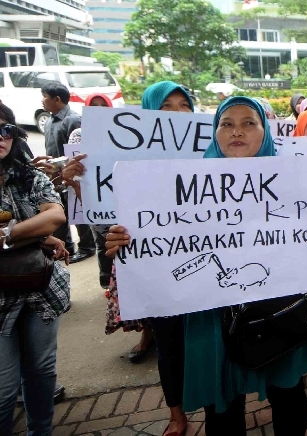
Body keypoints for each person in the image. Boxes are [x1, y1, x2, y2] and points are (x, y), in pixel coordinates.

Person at [107, 96, 307, 435]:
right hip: (211, 318)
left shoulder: (298, 181)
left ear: (265, 132)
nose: (237, 130)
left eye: (249, 122)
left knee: (289, 396)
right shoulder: (183, 184)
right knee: (221, 410)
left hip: (280, 312)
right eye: (227, 123)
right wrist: (124, 240)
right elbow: (157, 235)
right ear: (215, 133)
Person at [67, 81, 195, 436]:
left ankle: (213, 404)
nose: (176, 113)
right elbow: (104, 215)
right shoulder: (123, 160)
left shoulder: (209, 156)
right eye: (165, 105)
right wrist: (79, 183)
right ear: (147, 113)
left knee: (205, 342)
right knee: (169, 346)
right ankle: (177, 414)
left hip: (203, 270)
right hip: (155, 270)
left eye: (183, 105)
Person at [0, 103, 72, 436]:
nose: (0, 138)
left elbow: (55, 215)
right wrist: (34, 233)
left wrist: (8, 233)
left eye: (5, 130)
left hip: (40, 289)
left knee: (42, 371)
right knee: (4, 387)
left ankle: (40, 431)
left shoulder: (29, 175)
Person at [66, 94, 114, 289]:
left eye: (104, 106)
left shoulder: (125, 134)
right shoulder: (79, 134)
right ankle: (107, 282)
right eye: (94, 106)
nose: (100, 110)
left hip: (120, 195)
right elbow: (79, 167)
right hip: (95, 196)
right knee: (103, 242)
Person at [36, 82, 86, 263]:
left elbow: (79, 151)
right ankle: (66, 247)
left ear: (57, 99)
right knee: (61, 212)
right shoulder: (49, 120)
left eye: (45, 96)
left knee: (78, 210)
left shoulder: (73, 120)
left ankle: (87, 247)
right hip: (55, 176)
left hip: (72, 174)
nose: (42, 100)